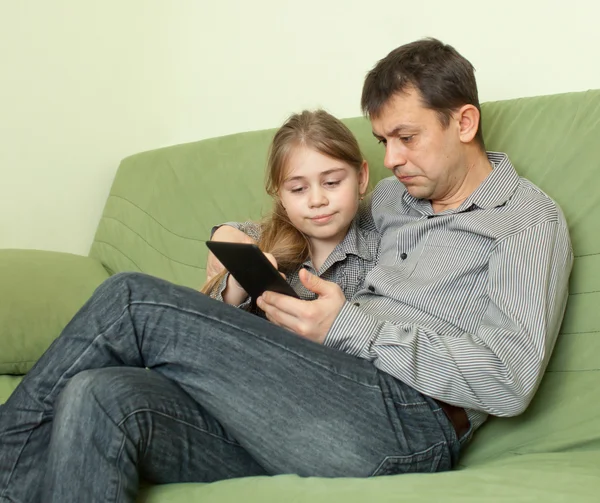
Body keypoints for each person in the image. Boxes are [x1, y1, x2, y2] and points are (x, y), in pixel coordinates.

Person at [0, 38, 572, 503]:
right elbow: (313, 215)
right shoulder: (397, 200)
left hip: (404, 421)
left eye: (406, 138)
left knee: (130, 300)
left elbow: (509, 379)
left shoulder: (525, 219)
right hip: (309, 407)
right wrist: (237, 238)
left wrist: (348, 326)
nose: (392, 159)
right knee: (100, 395)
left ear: (465, 121)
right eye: (382, 142)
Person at [201, 109, 378, 310]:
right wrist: (238, 283)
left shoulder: (381, 251)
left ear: (361, 179)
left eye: (331, 182)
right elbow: (206, 319)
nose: (317, 200)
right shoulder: (260, 241)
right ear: (280, 196)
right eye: (298, 189)